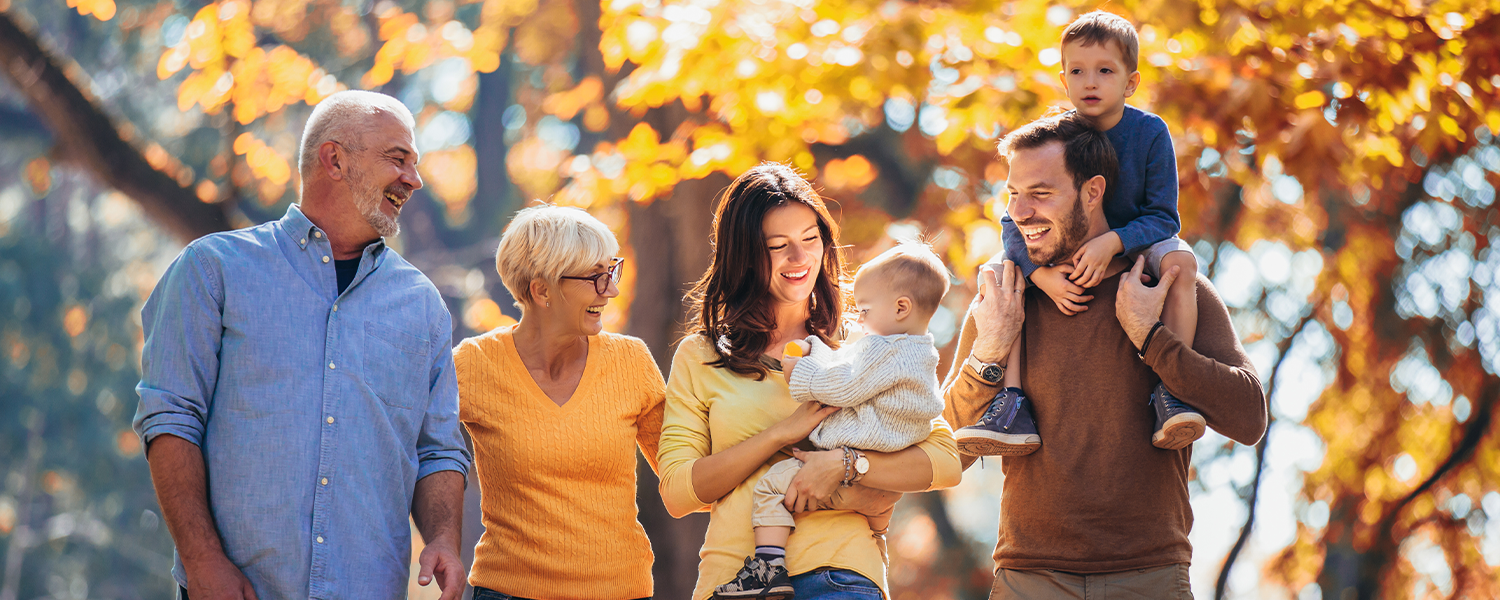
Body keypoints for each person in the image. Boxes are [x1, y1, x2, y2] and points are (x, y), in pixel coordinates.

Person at [132, 90, 471, 600]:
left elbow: (438, 449)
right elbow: (171, 418)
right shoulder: (213, 269)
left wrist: (444, 537)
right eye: (397, 159)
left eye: (414, 164)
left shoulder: (423, 305)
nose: (414, 179)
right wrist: (203, 561)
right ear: (334, 159)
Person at [943, 114, 1267, 597]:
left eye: (1041, 193)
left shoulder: (1168, 289)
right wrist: (989, 352)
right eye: (1013, 194)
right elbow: (947, 450)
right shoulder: (1006, 299)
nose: (1020, 212)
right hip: (1028, 576)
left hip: (1151, 575)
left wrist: (1151, 336)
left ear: (1093, 191)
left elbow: (1249, 417)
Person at [658, 163, 962, 600]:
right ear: (743, 254)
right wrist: (782, 432)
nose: (799, 260)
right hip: (733, 580)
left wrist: (846, 464)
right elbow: (679, 492)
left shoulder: (864, 342)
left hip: (839, 573)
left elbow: (945, 462)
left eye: (810, 240)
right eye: (778, 246)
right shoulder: (702, 356)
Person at [958, 10, 1207, 455]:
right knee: (1003, 276)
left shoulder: (1150, 133)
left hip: (1137, 247)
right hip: (1059, 253)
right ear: (1064, 79)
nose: (1090, 82)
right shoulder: (1059, 136)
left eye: (1105, 71)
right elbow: (1014, 218)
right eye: (1078, 71)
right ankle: (1011, 404)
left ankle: (1172, 389)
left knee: (1181, 262)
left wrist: (1113, 241)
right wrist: (1037, 275)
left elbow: (1164, 218)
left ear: (1130, 83)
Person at [715, 242, 951, 598]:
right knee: (876, 509)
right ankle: (877, 538)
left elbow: (844, 386)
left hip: (856, 444)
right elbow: (852, 365)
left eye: (866, 309)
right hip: (885, 455)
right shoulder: (919, 353)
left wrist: (800, 371)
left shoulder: (882, 349)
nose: (860, 319)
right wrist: (819, 349)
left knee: (772, 486)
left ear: (901, 307)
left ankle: (767, 569)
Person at [453, 205, 664, 600]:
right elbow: (417, 451)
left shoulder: (631, 361)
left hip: (620, 593)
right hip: (507, 592)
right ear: (542, 290)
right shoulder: (473, 363)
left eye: (611, 271)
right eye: (594, 277)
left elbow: (686, 480)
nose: (612, 290)